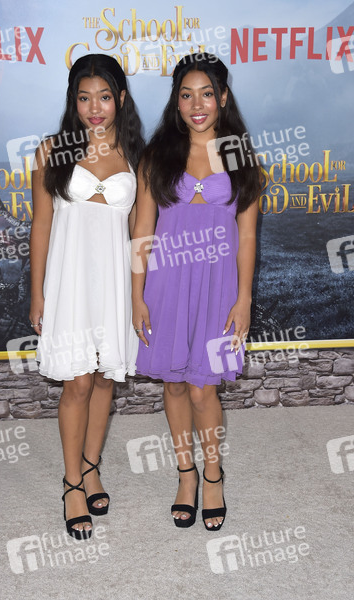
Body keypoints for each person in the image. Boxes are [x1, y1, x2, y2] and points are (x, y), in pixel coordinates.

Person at [132, 52, 261, 531]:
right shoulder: (157, 157)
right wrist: (137, 295)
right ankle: (185, 474)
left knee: (204, 388)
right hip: (166, 284)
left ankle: (212, 475)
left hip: (218, 288)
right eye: (186, 95)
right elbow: (142, 231)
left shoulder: (241, 158)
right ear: (177, 102)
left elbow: (247, 237)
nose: (197, 104)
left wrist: (244, 299)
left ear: (223, 97)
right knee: (174, 383)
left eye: (207, 93)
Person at [29, 53, 144, 539]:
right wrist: (37, 294)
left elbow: (140, 237)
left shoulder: (137, 157)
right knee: (77, 382)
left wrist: (139, 295)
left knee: (103, 381)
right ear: (72, 101)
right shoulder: (51, 150)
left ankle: (92, 466)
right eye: (84, 98)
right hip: (69, 282)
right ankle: (72, 482)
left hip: (113, 284)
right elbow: (41, 225)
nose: (94, 108)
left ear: (120, 98)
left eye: (104, 97)